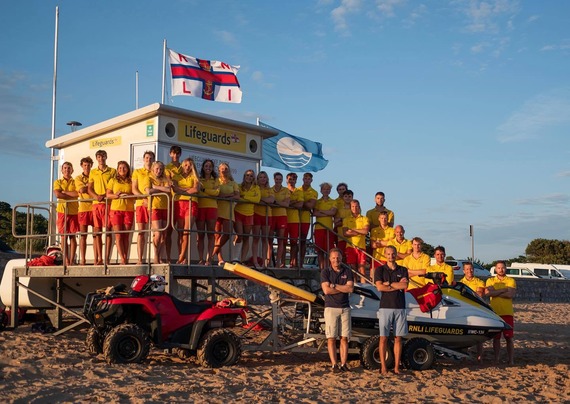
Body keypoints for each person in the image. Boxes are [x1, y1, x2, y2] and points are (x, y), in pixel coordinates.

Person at [374, 245, 409, 375]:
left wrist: (388, 284)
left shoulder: (403, 270)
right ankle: (383, 367)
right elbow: (379, 287)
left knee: (398, 338)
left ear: (396, 254)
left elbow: (404, 285)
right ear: (385, 255)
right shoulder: (380, 270)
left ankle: (396, 368)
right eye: (388, 254)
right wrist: (395, 285)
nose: (391, 256)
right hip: (385, 307)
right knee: (383, 338)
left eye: (393, 253)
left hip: (400, 307)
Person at [321, 248, 354, 372]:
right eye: (334, 258)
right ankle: (334, 364)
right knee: (331, 338)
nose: (336, 260)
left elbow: (350, 289)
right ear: (330, 259)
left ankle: (343, 364)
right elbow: (326, 291)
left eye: (338, 257)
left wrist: (334, 285)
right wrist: (343, 288)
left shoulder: (347, 271)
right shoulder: (325, 272)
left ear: (341, 258)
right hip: (331, 308)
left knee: (344, 337)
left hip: (345, 307)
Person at [88, 149, 116, 265]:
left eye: (103, 156)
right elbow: (89, 188)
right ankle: (99, 258)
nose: (101, 159)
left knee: (108, 231)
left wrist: (104, 196)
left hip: (108, 203)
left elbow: (114, 186)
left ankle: (107, 258)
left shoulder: (112, 171)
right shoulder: (93, 172)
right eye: (99, 157)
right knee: (97, 231)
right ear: (97, 159)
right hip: (96, 204)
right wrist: (96, 197)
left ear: (106, 157)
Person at [485, 260, 516, 365]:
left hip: (507, 312)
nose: (501, 269)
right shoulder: (490, 280)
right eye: (499, 268)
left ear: (506, 268)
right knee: (496, 339)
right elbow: (488, 293)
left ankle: (511, 360)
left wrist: (495, 292)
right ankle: (496, 359)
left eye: (503, 267)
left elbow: (510, 295)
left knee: (509, 338)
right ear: (495, 269)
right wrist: (503, 290)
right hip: (495, 313)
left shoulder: (511, 280)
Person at [172, 157, 200, 265]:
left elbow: (196, 189)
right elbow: (175, 189)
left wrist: (181, 190)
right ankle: (182, 258)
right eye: (185, 165)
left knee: (186, 231)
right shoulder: (176, 176)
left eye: (189, 165)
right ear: (182, 165)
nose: (187, 167)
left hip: (191, 203)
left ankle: (181, 257)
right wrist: (187, 190)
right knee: (180, 232)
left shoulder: (195, 176)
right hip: (179, 204)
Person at [106, 161, 134, 265]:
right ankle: (122, 258)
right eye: (120, 168)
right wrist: (116, 195)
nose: (122, 169)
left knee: (126, 236)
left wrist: (127, 194)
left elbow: (135, 193)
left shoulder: (131, 180)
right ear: (117, 170)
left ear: (128, 169)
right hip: (116, 210)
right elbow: (108, 195)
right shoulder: (113, 180)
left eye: (124, 168)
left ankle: (126, 257)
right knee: (118, 235)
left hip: (128, 210)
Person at [212, 162, 240, 265]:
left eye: (226, 168)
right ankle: (220, 259)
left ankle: (211, 255)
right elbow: (217, 194)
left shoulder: (233, 183)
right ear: (219, 170)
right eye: (222, 169)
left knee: (227, 233)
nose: (224, 170)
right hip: (218, 209)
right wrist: (229, 195)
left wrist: (227, 196)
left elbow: (237, 196)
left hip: (229, 211)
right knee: (217, 235)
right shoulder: (216, 181)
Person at [145, 161, 172, 264]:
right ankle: (156, 255)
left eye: (161, 169)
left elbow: (168, 190)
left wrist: (155, 187)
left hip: (165, 207)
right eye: (157, 169)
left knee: (164, 234)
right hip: (154, 207)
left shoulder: (165, 178)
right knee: (158, 233)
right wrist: (162, 190)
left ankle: (160, 256)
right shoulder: (149, 177)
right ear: (153, 169)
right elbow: (148, 191)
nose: (159, 171)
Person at [53, 161, 79, 265]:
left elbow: (77, 193)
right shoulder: (58, 182)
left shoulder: (75, 181)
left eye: (69, 168)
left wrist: (65, 193)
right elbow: (58, 195)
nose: (67, 170)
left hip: (73, 211)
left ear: (72, 170)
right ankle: (66, 260)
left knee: (72, 236)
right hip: (62, 211)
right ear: (62, 170)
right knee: (63, 236)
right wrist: (70, 195)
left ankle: (72, 260)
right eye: (65, 168)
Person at [459, 261, 486, 363]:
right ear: (463, 271)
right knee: (465, 335)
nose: (469, 271)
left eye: (471, 269)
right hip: (464, 311)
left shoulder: (479, 281)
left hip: (476, 310)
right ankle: (464, 356)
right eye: (467, 269)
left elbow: (479, 295)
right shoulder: (461, 283)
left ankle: (479, 357)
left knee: (479, 335)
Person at [132, 150, 155, 264]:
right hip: (141, 204)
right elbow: (134, 188)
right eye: (147, 158)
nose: (148, 160)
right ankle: (140, 259)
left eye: (151, 158)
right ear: (143, 159)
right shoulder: (137, 172)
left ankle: (156, 258)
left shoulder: (156, 172)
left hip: (154, 205)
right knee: (141, 232)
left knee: (156, 232)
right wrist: (143, 198)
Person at [234, 169, 261, 264]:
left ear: (253, 178)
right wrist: (250, 199)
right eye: (247, 175)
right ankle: (235, 257)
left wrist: (244, 197)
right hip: (238, 212)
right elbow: (237, 197)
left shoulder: (256, 187)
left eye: (251, 176)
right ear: (244, 176)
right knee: (240, 235)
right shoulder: (239, 186)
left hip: (249, 214)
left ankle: (241, 260)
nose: (249, 177)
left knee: (246, 237)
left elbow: (257, 200)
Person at [196, 159, 219, 265]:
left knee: (210, 234)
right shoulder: (199, 179)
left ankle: (209, 258)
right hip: (200, 207)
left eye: (210, 166)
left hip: (212, 208)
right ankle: (201, 258)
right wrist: (210, 192)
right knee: (200, 235)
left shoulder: (216, 180)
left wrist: (205, 190)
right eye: (206, 166)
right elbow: (197, 191)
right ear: (203, 167)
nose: (208, 168)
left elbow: (216, 192)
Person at [342, 199, 370, 283]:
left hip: (361, 246)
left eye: (356, 206)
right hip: (350, 247)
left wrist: (353, 230)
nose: (355, 208)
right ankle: (355, 286)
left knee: (362, 269)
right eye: (353, 206)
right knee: (352, 269)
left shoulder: (364, 218)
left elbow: (365, 231)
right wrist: (359, 231)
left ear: (359, 207)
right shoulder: (346, 219)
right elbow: (345, 233)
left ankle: (364, 287)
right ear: (350, 208)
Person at [252, 171, 275, 268]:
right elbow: (255, 199)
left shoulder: (270, 189)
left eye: (264, 177)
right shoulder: (255, 188)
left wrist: (261, 199)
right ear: (257, 179)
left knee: (265, 239)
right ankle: (255, 261)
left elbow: (271, 200)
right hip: (257, 214)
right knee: (256, 238)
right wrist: (263, 200)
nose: (262, 179)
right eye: (260, 177)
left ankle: (265, 261)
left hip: (267, 215)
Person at [313, 182, 337, 269]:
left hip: (329, 228)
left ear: (330, 191)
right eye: (324, 189)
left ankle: (327, 268)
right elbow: (315, 213)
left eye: (328, 189)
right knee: (319, 250)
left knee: (329, 251)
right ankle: (321, 268)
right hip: (319, 228)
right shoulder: (317, 202)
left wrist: (322, 211)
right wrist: (327, 212)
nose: (326, 191)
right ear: (321, 190)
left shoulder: (333, 201)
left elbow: (333, 212)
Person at [74, 156, 93, 265]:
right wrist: (90, 187)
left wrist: (87, 188)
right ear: (81, 166)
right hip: (83, 208)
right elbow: (81, 189)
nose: (87, 167)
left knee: (97, 235)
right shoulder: (78, 178)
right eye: (85, 165)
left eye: (89, 165)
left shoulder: (94, 175)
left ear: (91, 165)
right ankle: (83, 259)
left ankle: (97, 259)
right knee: (83, 235)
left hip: (94, 207)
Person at [165, 145, 182, 260]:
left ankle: (181, 257)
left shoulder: (184, 167)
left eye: (177, 154)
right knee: (168, 231)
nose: (175, 156)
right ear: (170, 154)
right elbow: (168, 181)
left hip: (181, 201)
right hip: (170, 201)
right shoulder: (167, 167)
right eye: (173, 153)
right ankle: (168, 257)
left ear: (180, 154)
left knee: (181, 231)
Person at [270, 172, 290, 268]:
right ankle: (268, 261)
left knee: (280, 240)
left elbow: (286, 204)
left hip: (282, 216)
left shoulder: (286, 190)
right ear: (274, 179)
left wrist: (275, 202)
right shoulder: (270, 190)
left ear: (282, 180)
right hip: (271, 215)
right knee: (269, 239)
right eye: (276, 179)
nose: (278, 181)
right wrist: (280, 203)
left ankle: (278, 262)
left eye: (280, 179)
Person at [298, 173, 318, 267]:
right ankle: (293, 262)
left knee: (302, 241)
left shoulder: (313, 192)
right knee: (293, 241)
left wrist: (300, 202)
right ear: (303, 179)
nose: (307, 180)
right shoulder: (297, 190)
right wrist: (305, 202)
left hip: (305, 219)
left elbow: (311, 206)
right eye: (305, 178)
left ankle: (301, 263)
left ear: (311, 180)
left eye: (308, 179)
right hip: (294, 217)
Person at [286, 172, 303, 268]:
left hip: (294, 219)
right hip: (284, 217)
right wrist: (294, 202)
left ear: (296, 181)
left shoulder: (299, 191)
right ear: (286, 180)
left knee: (293, 242)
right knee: (282, 242)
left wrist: (288, 203)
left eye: (293, 179)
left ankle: (293, 262)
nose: (291, 181)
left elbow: (300, 205)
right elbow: (283, 202)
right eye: (290, 179)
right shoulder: (283, 190)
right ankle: (282, 263)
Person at [334, 189, 353, 254]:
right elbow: (336, 222)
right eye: (346, 196)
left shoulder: (355, 208)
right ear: (343, 197)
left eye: (349, 196)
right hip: (341, 237)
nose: (347, 198)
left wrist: (342, 219)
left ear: (352, 198)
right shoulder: (339, 210)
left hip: (353, 238)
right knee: (341, 256)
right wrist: (348, 221)